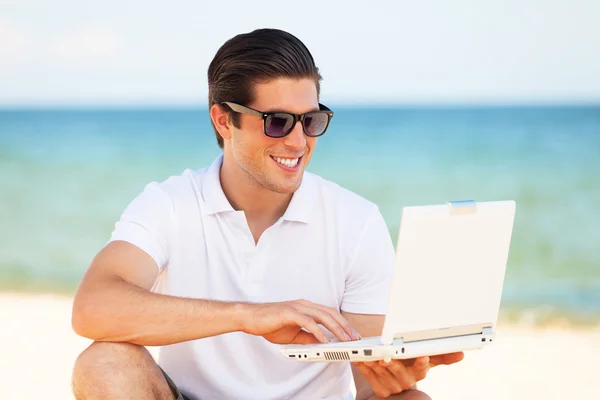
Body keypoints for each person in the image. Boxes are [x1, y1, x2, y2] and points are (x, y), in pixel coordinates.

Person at [71, 28, 463, 400]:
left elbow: (367, 382)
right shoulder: (169, 204)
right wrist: (247, 316)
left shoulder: (356, 220)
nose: (298, 141)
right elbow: (93, 308)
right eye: (277, 122)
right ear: (224, 120)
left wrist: (392, 377)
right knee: (103, 362)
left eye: (311, 121)